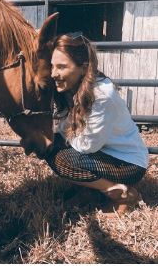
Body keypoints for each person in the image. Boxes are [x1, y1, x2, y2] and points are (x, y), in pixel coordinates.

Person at [46, 33, 149, 217]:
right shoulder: (71, 88)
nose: (53, 74)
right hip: (103, 153)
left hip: (128, 163)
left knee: (63, 159)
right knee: (49, 145)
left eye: (61, 67)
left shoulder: (101, 94)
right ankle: (89, 191)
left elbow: (87, 146)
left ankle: (121, 193)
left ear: (84, 68)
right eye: (52, 66)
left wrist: (62, 135)